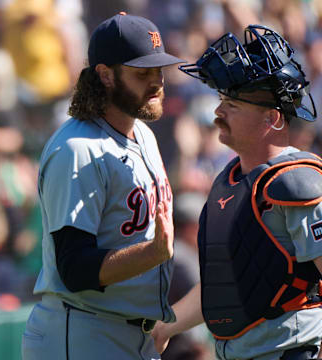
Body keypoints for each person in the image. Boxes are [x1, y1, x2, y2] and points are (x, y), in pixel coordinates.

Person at [21, 12, 185, 360]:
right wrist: (153, 252)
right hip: (82, 333)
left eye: (160, 71)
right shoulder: (77, 150)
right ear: (106, 75)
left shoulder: (142, 132)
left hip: (131, 334)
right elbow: (74, 269)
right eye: (142, 73)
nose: (157, 82)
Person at [153, 25, 322, 360]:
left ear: (271, 118)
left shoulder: (297, 182)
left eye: (233, 104)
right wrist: (166, 327)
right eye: (222, 100)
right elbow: (225, 287)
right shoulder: (227, 181)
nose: (219, 113)